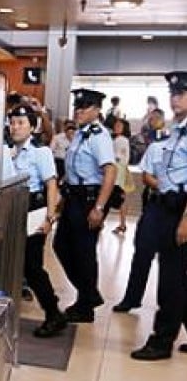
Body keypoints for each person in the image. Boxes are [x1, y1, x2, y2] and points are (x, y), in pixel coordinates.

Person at [127, 71, 187, 361]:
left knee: (172, 280)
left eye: (181, 94)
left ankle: (162, 341)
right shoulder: (176, 130)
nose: (175, 99)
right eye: (173, 94)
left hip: (181, 210)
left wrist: (186, 221)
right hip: (164, 206)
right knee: (172, 274)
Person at [55, 88, 117, 323]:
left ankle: (86, 304)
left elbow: (110, 171)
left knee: (84, 253)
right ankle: (88, 295)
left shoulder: (99, 136)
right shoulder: (81, 134)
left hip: (88, 199)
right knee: (62, 246)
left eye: (85, 107)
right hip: (73, 197)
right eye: (77, 107)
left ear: (97, 110)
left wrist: (99, 208)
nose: (78, 111)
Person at [7, 105, 65, 337]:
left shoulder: (40, 152)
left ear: (32, 126)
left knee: (32, 266)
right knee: (13, 263)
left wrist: (50, 218)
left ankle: (53, 313)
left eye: (21, 123)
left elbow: (51, 184)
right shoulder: (8, 150)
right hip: (11, 208)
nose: (15, 127)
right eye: (12, 122)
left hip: (33, 210)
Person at [111, 117, 132, 234]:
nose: (116, 127)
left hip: (117, 172)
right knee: (121, 198)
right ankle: (122, 224)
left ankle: (122, 224)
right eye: (116, 125)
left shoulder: (121, 140)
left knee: (119, 197)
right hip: (119, 171)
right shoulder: (120, 139)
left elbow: (121, 157)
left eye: (119, 126)